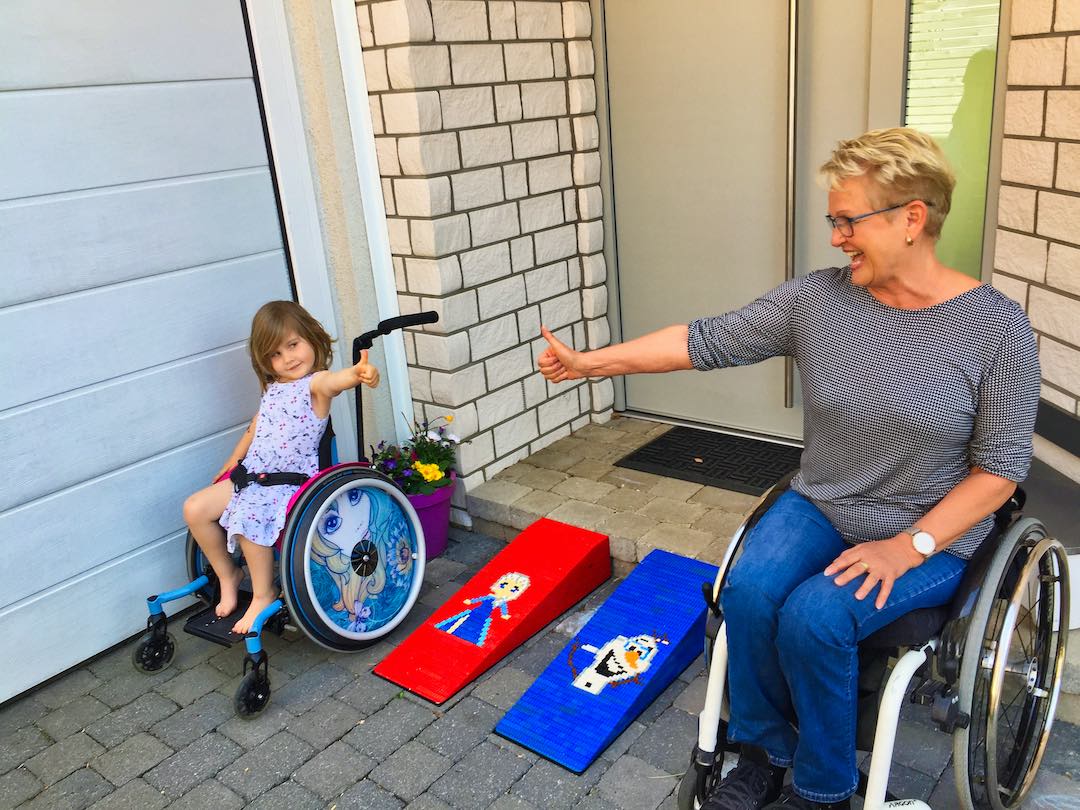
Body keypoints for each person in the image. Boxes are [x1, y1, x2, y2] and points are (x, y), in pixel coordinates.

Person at [537, 128, 1039, 810]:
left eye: (848, 221)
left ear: (911, 218)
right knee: (747, 590)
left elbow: (1001, 471)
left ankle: (824, 788)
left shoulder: (997, 328)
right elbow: (704, 340)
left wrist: (908, 546)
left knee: (814, 618)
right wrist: (590, 364)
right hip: (824, 500)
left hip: (932, 531)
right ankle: (764, 752)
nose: (836, 238)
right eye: (833, 221)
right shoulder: (816, 302)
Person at [183, 300, 380, 635]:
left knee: (249, 517)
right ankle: (229, 574)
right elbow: (254, 429)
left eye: (293, 345)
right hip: (252, 476)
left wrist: (357, 374)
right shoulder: (274, 389)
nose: (288, 358)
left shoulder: (315, 384)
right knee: (195, 508)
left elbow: (334, 382)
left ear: (311, 337)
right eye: (275, 354)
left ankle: (264, 594)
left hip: (288, 483)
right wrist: (232, 462)